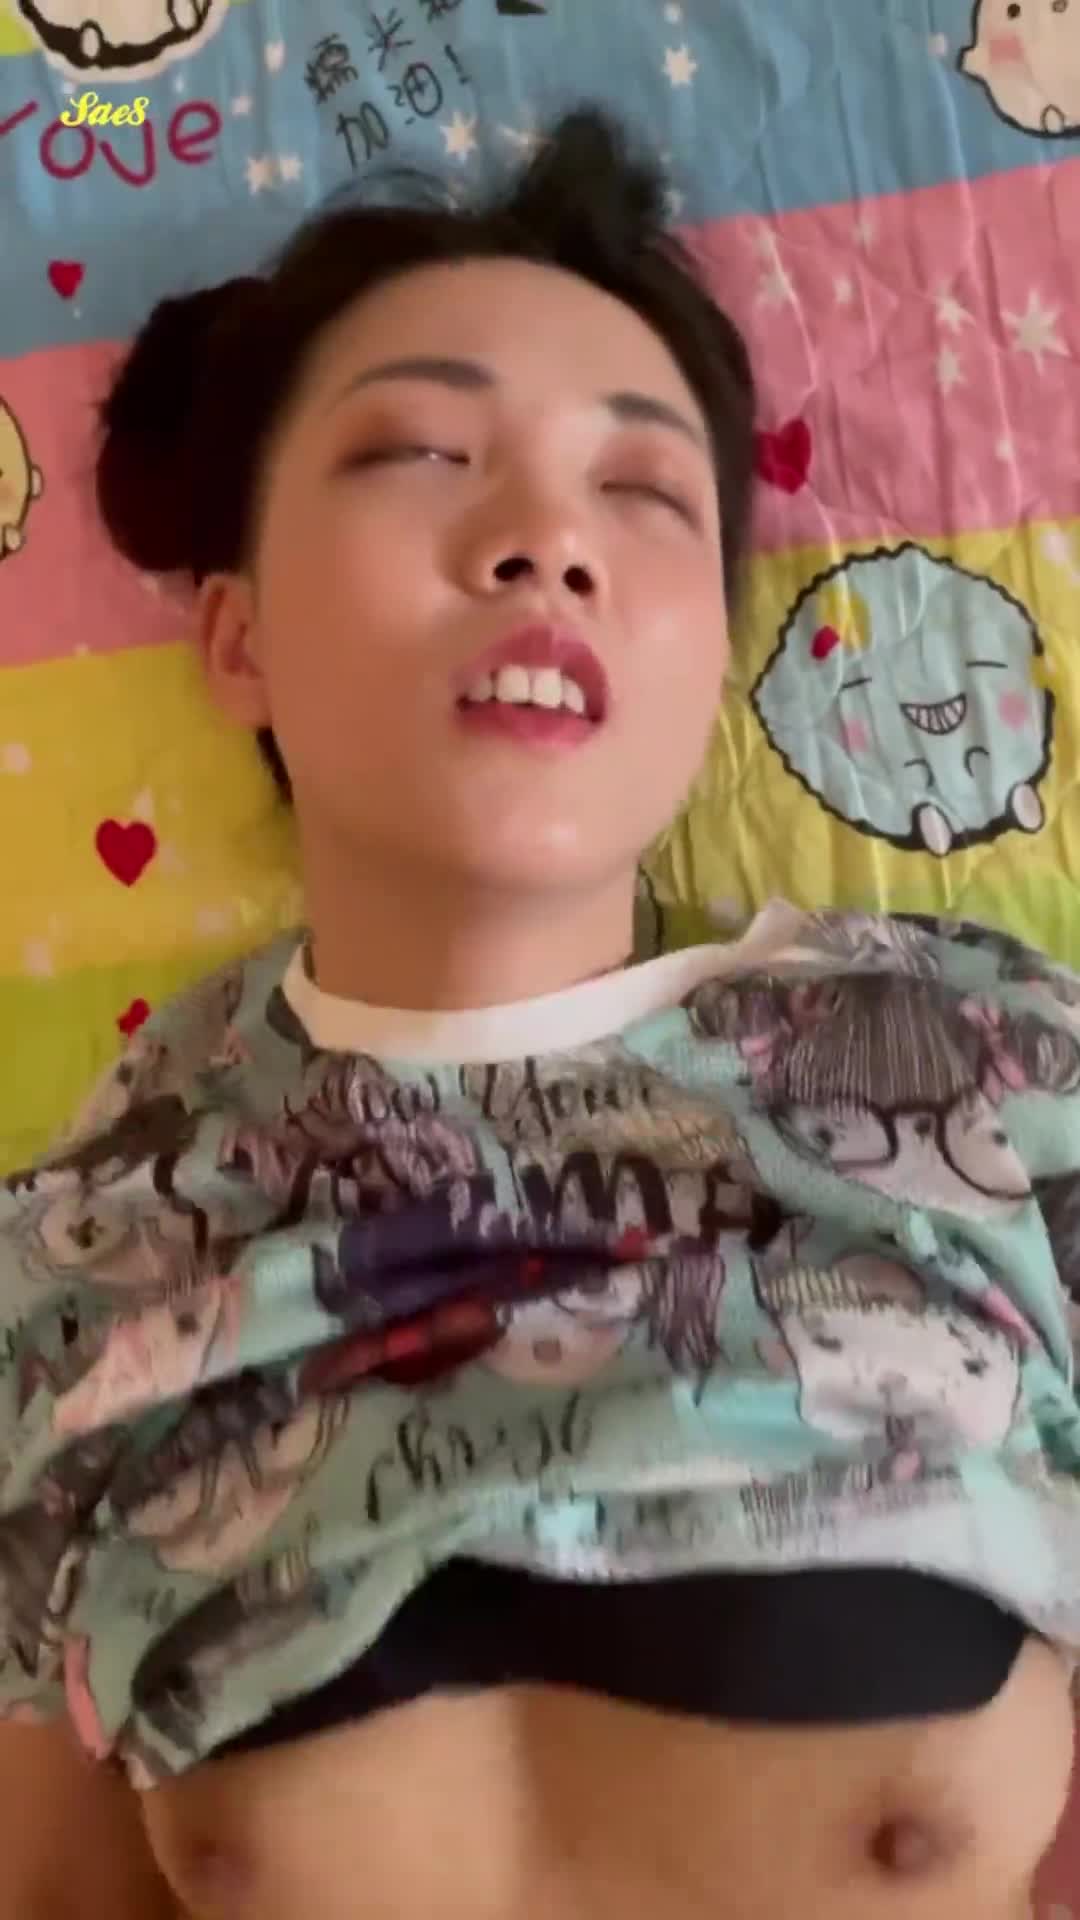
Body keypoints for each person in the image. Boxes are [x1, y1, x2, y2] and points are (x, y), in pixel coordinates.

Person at [0, 108, 1076, 1920]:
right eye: (421, 451)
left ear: (710, 657)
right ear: (236, 636)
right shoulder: (82, 1253)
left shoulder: (999, 1082)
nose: (547, 540)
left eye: (642, 491)